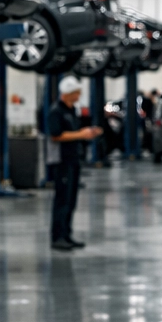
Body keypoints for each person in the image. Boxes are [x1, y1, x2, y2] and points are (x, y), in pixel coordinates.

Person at [47, 75, 101, 251]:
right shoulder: (56, 111)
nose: (78, 96)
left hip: (73, 160)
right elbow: (56, 135)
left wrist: (87, 133)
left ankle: (67, 235)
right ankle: (57, 237)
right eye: (76, 93)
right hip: (61, 161)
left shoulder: (71, 111)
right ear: (67, 93)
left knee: (71, 200)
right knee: (62, 200)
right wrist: (81, 134)